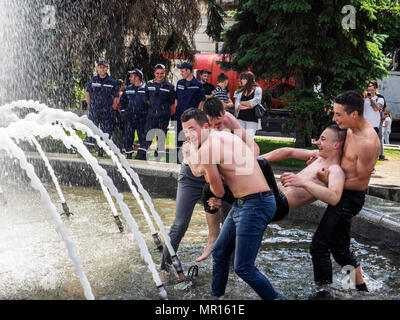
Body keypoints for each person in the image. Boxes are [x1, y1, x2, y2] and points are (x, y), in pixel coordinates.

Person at [181, 108, 282, 300]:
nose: (189, 135)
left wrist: (192, 159)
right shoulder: (224, 136)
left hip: (255, 204)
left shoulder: (206, 149)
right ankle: (216, 298)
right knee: (219, 252)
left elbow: (218, 191)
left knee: (243, 267)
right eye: (185, 130)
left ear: (205, 126)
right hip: (247, 202)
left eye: (192, 129)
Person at [159, 97, 259, 273]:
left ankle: (231, 267)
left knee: (232, 219)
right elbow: (198, 170)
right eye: (214, 125)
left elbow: (252, 146)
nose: (218, 128)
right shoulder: (194, 132)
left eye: (220, 124)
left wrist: (248, 164)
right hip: (194, 175)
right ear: (205, 121)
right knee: (180, 223)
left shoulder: (227, 119)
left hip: (218, 175)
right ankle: (164, 266)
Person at [308, 91, 380, 296]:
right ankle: (358, 289)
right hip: (340, 192)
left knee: (319, 245)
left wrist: (329, 182)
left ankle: (323, 292)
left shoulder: (367, 141)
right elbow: (339, 158)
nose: (334, 118)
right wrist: (320, 161)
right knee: (340, 250)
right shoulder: (348, 130)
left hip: (350, 198)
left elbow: (360, 182)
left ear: (354, 114)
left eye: (339, 114)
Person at [85, 60, 119, 157]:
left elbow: (116, 96)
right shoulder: (93, 80)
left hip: (107, 111)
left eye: (104, 67)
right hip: (94, 110)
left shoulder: (112, 81)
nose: (102, 69)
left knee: (106, 131)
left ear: (107, 69)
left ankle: (102, 150)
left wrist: (112, 107)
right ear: (97, 68)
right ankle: (89, 148)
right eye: (100, 67)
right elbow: (88, 93)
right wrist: (89, 105)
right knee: (92, 128)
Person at [174, 61, 206, 163]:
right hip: (179, 114)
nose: (181, 73)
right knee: (178, 136)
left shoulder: (198, 84)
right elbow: (176, 97)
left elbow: (202, 99)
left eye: (183, 71)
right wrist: (176, 108)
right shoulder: (180, 83)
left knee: (190, 137)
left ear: (189, 71)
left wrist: (197, 113)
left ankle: (189, 158)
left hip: (191, 116)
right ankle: (178, 158)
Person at [144, 64, 175, 160]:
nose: (159, 75)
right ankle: (145, 153)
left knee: (161, 135)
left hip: (163, 115)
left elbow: (172, 101)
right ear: (154, 73)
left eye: (161, 73)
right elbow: (146, 99)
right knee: (148, 135)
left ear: (164, 73)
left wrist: (162, 109)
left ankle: (159, 155)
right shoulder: (149, 84)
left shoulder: (169, 86)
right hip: (151, 115)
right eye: (157, 73)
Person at [119, 68, 148, 160]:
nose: (129, 78)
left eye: (131, 76)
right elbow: (122, 101)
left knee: (143, 137)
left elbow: (150, 102)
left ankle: (142, 155)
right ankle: (129, 154)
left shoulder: (146, 89)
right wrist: (123, 111)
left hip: (142, 119)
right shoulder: (128, 88)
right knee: (128, 136)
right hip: (129, 118)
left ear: (137, 78)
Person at [363, 82, 386, 165]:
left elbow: (376, 109)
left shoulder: (379, 98)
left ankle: (371, 166)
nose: (370, 92)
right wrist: (363, 97)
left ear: (376, 89)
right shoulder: (364, 98)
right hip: (363, 126)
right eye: (368, 90)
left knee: (371, 147)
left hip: (374, 126)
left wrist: (370, 99)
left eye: (372, 90)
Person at [234, 71, 263, 137]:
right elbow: (237, 105)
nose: (242, 80)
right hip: (240, 119)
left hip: (252, 120)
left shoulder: (258, 89)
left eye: (244, 79)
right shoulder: (240, 91)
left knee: (248, 139)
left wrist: (242, 103)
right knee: (238, 139)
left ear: (249, 80)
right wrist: (248, 106)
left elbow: (255, 102)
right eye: (241, 78)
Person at [112, 79, 125, 151]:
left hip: (115, 113)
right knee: (120, 131)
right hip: (119, 113)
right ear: (121, 85)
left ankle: (115, 145)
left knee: (115, 131)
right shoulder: (121, 94)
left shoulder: (114, 93)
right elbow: (117, 103)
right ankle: (120, 146)